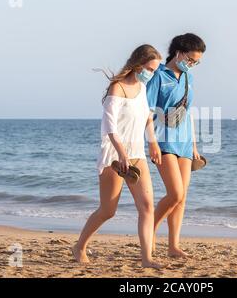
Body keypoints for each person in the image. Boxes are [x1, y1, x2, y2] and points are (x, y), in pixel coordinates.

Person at [72, 44, 163, 268]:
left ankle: (146, 258)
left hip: (137, 154)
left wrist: (153, 144)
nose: (151, 74)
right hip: (114, 155)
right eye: (149, 69)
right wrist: (121, 154)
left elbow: (148, 118)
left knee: (147, 206)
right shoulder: (117, 88)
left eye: (154, 70)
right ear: (138, 64)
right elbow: (110, 127)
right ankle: (79, 246)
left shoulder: (141, 88)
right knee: (108, 210)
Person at [146, 33, 206, 257]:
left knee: (182, 198)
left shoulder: (188, 78)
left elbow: (187, 112)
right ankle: (149, 230)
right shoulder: (158, 76)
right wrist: (151, 142)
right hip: (163, 140)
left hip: (184, 143)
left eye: (196, 62)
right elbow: (147, 112)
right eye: (191, 59)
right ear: (179, 52)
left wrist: (193, 145)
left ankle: (173, 246)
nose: (192, 64)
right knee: (175, 194)